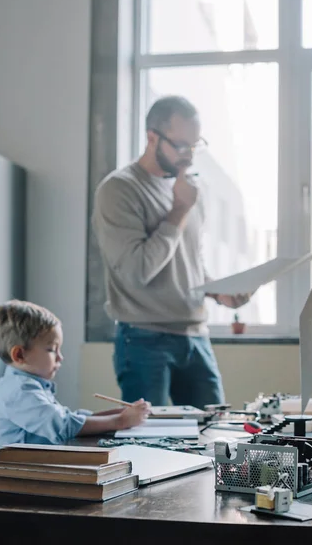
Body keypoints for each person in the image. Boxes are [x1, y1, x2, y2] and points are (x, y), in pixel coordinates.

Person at [92, 95, 251, 409]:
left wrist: (219, 293)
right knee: (151, 444)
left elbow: (189, 262)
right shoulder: (119, 190)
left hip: (195, 336)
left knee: (214, 434)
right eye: (181, 146)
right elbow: (137, 272)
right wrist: (179, 210)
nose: (189, 157)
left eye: (196, 145)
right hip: (144, 339)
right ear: (152, 137)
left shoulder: (188, 189)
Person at [0, 299, 150, 457]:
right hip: (12, 474)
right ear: (19, 354)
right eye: (51, 350)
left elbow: (65, 416)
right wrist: (120, 421)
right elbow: (62, 425)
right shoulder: (19, 391)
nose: (60, 357)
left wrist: (115, 413)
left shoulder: (30, 383)